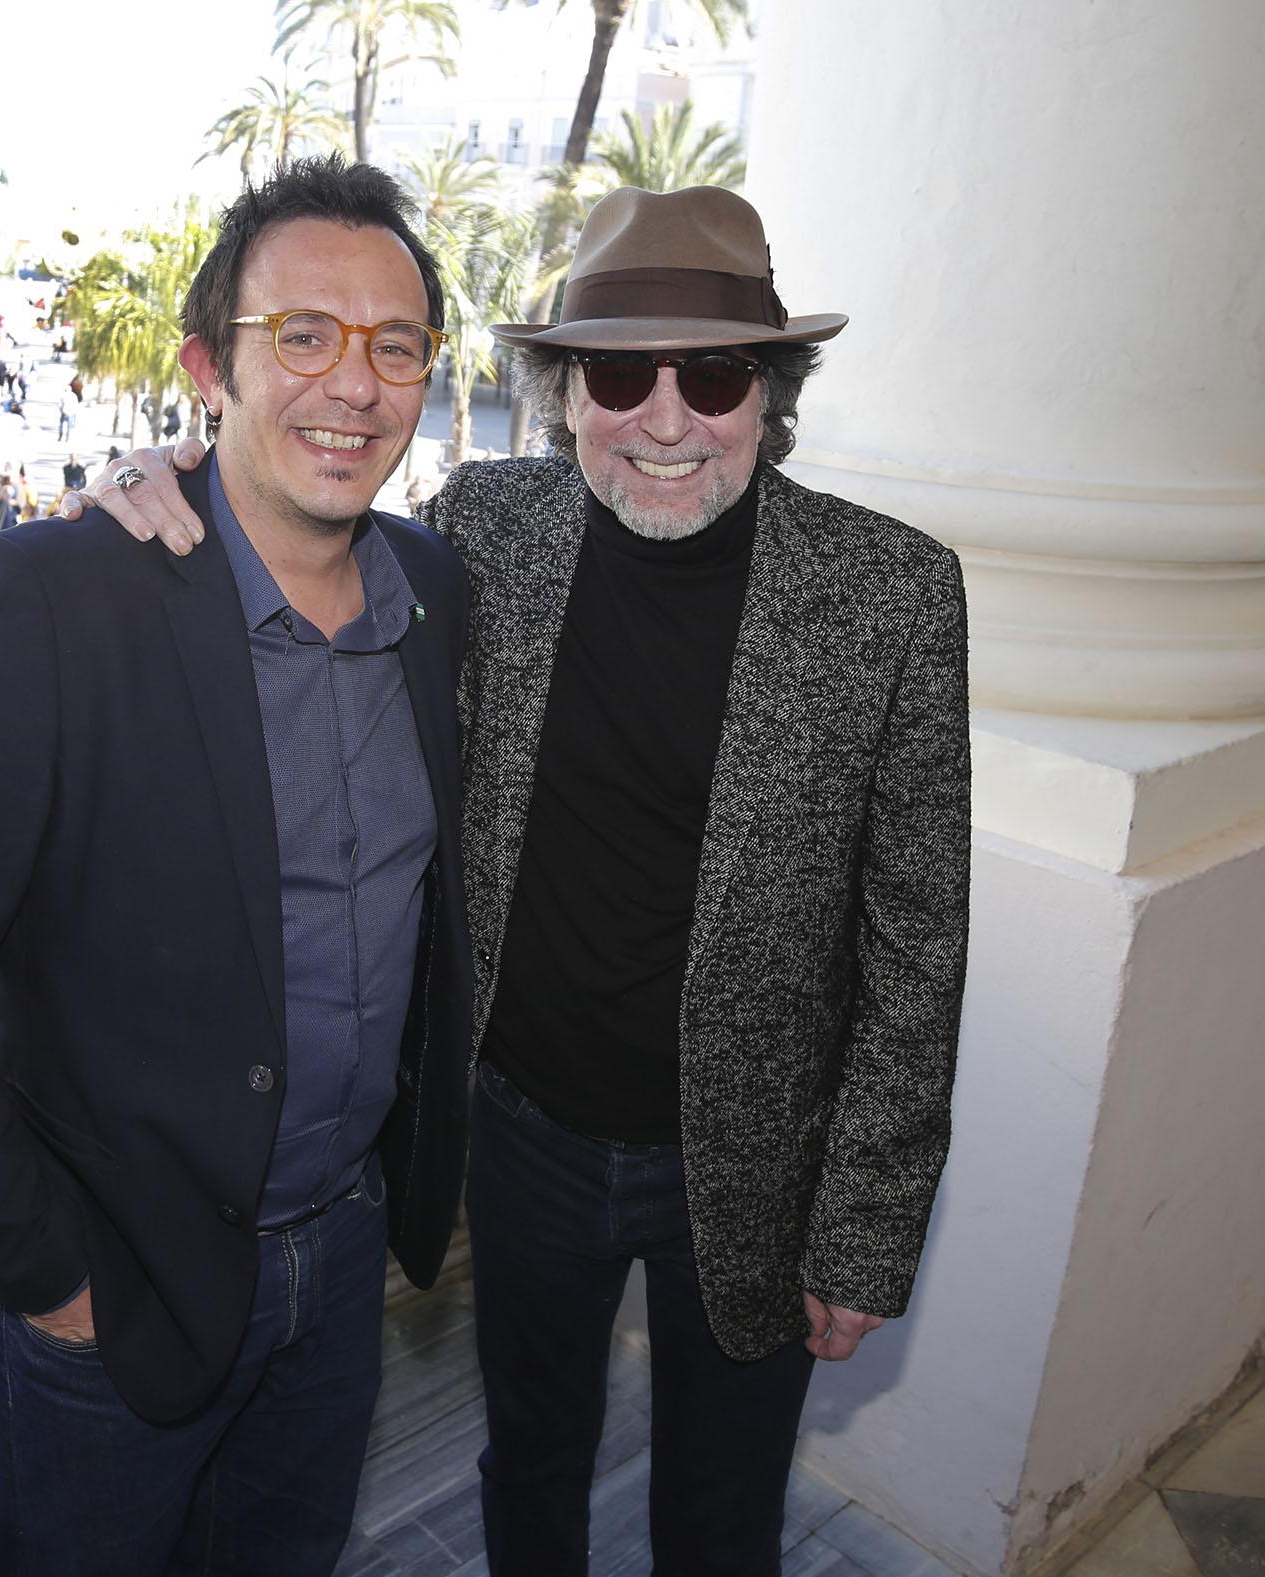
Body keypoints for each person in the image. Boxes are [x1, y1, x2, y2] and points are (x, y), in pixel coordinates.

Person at [66, 178, 973, 1576]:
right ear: (564, 393)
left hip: (748, 1165)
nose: (664, 420)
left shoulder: (889, 594)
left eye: (714, 374)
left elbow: (914, 947)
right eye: (619, 374)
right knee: (530, 1464)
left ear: (769, 392)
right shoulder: (482, 531)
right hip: (521, 1141)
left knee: (720, 1519)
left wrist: (861, 1233)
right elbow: (294, 513)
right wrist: (161, 478)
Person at [0, 159, 473, 1575]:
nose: (350, 386)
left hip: (342, 1253)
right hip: (117, 1279)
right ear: (207, 368)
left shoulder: (437, 593)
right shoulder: (57, 597)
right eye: (299, 335)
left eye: (395, 346)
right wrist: (47, 1276)